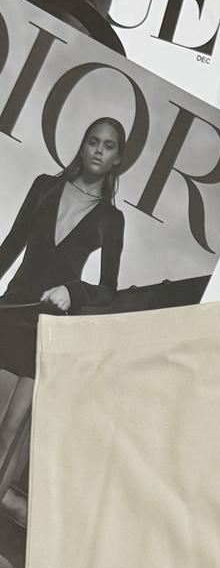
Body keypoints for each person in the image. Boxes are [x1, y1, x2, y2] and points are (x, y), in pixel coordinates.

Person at [0, 117, 126, 378]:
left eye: (108, 145)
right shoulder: (44, 186)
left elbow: (107, 291)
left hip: (51, 328)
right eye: (93, 142)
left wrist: (73, 291)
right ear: (83, 147)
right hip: (12, 309)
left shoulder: (112, 219)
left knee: (18, 408)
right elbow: (11, 245)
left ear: (117, 158)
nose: (99, 150)